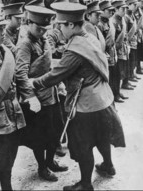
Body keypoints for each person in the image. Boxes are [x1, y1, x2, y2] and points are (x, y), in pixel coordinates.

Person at [30, 1, 126, 190]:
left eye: (61, 25)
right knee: (102, 137)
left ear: (71, 25)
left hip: (87, 104)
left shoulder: (75, 48)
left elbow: (56, 75)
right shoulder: (89, 38)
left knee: (83, 145)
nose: (58, 28)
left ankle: (85, 184)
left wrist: (34, 82)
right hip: (104, 98)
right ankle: (108, 165)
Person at [15, 5, 68, 182]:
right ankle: (42, 168)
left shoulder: (43, 40)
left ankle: (50, 160)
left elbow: (50, 65)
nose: (41, 32)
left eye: (44, 28)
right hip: (37, 98)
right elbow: (21, 74)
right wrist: (30, 97)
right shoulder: (25, 44)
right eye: (38, 28)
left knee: (55, 130)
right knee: (40, 136)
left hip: (51, 93)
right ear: (29, 23)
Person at [0, 9, 25, 191]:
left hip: (11, 115)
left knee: (8, 160)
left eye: (4, 27)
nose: (3, 31)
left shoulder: (4, 52)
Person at [111, 0, 130, 98]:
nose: (125, 11)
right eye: (122, 9)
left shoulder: (122, 19)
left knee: (119, 72)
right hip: (115, 51)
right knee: (115, 73)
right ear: (116, 9)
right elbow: (112, 39)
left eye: (125, 9)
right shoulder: (113, 21)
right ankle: (115, 94)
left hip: (121, 50)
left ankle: (118, 92)